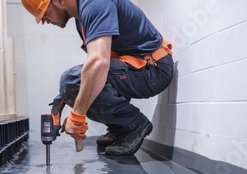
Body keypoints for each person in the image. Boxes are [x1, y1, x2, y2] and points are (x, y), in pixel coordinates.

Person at [21, 0, 174, 155]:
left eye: (45, 14)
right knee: (77, 84)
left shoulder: (96, 4)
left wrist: (77, 115)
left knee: (72, 81)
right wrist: (66, 96)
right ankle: (120, 127)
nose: (45, 21)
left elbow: (99, 63)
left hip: (153, 69)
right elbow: (102, 71)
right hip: (137, 67)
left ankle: (134, 124)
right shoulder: (82, 17)